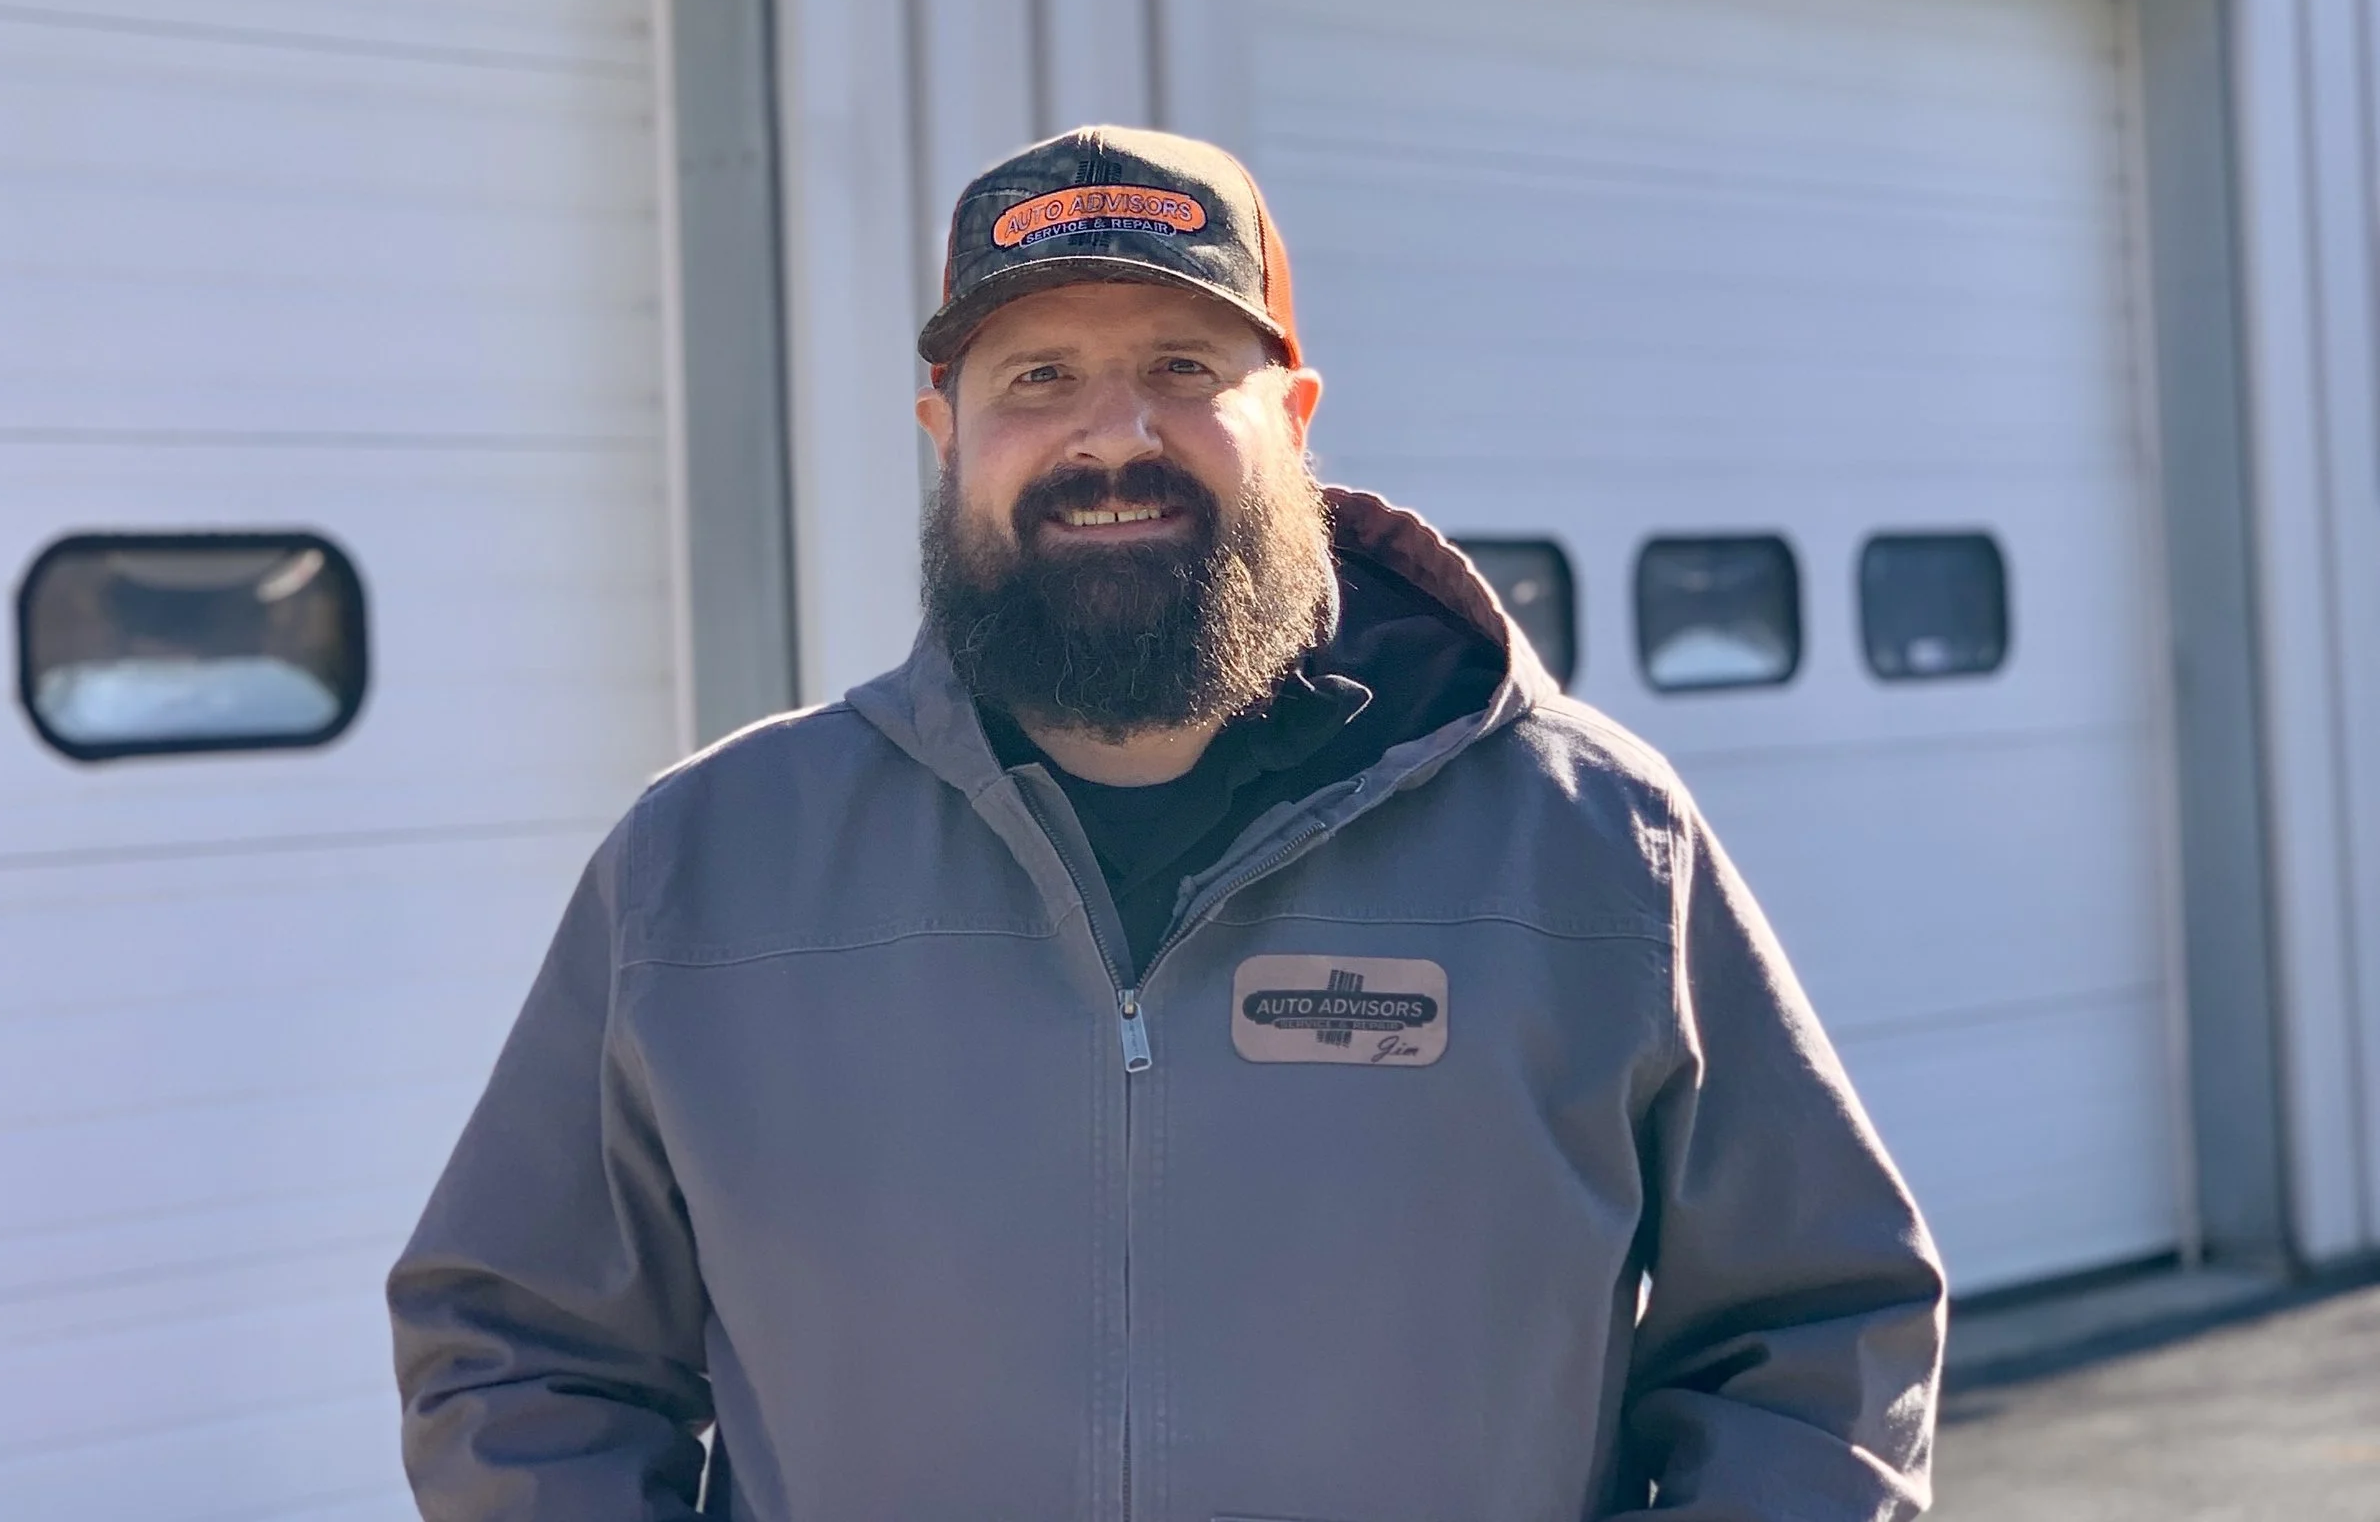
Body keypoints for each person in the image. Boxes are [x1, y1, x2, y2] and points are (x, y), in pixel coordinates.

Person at [390, 124, 1944, 1519]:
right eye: (1037, 378)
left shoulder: (1595, 844)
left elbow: (1817, 1328)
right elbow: (520, 1353)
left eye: (1185, 371)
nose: (1112, 436)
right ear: (946, 430)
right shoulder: (707, 865)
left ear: (1296, 415)